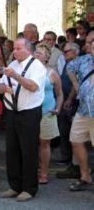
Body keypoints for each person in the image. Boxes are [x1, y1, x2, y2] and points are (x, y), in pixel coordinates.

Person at [0, 38, 46, 202]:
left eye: (18, 48)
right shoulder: (12, 65)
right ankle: (14, 185)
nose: (14, 51)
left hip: (29, 112)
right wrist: (4, 87)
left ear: (28, 49)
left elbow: (33, 86)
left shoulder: (36, 66)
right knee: (12, 150)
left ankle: (29, 188)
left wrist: (16, 77)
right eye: (14, 48)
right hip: (12, 111)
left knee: (28, 150)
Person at [67, 32, 94, 191]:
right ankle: (85, 176)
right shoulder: (84, 60)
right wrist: (77, 87)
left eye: (92, 41)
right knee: (75, 140)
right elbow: (69, 67)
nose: (89, 44)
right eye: (89, 41)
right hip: (84, 110)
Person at [34, 43, 63, 184]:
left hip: (47, 112)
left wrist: (57, 108)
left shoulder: (52, 73)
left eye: (40, 53)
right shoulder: (28, 71)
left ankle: (44, 173)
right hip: (30, 112)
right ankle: (32, 170)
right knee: (31, 143)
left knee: (44, 143)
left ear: (47, 57)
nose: (36, 54)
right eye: (35, 52)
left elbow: (59, 94)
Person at [55, 42, 80, 177]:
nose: (63, 54)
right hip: (63, 100)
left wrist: (69, 99)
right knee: (64, 131)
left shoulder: (78, 64)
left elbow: (76, 83)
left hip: (73, 103)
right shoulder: (66, 63)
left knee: (74, 133)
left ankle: (75, 163)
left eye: (66, 52)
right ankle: (66, 158)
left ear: (75, 52)